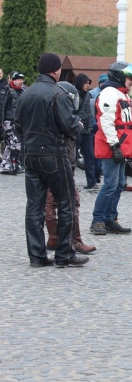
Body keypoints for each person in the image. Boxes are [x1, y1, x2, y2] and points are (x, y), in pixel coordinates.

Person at [14, 52, 89, 267]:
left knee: (34, 206)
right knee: (66, 202)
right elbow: (70, 126)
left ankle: (37, 256)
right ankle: (64, 255)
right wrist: (79, 125)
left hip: (30, 154)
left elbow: (18, 126)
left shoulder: (25, 94)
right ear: (56, 71)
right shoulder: (58, 93)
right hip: (54, 154)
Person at [89, 61, 132, 235]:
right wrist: (114, 146)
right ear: (120, 77)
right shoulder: (109, 94)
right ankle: (98, 220)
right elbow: (106, 122)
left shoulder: (121, 94)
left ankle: (110, 218)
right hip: (112, 147)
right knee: (110, 185)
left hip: (119, 147)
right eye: (129, 78)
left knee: (118, 184)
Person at [45, 82, 96, 255]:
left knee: (51, 200)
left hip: (59, 162)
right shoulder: (63, 114)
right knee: (70, 201)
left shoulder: (52, 110)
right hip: (62, 162)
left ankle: (54, 238)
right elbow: (71, 130)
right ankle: (74, 240)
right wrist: (78, 125)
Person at [74, 73, 100, 190]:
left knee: (90, 157)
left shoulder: (88, 95)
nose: (88, 85)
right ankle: (70, 183)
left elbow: (89, 113)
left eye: (88, 83)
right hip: (77, 131)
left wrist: (90, 127)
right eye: (86, 83)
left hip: (87, 131)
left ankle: (92, 182)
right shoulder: (74, 95)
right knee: (72, 158)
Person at [0, 71, 22, 174]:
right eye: (19, 79)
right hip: (7, 120)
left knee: (11, 143)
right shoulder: (7, 89)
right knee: (15, 142)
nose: (21, 81)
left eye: (22, 79)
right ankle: (13, 165)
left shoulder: (21, 91)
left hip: (15, 120)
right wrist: (1, 121)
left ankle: (5, 165)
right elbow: (3, 105)